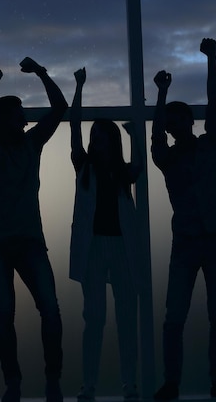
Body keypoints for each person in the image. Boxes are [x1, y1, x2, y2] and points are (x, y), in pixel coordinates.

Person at [151, 38, 216, 401]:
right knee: (177, 316)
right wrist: (161, 94)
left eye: (178, 120)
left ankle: (215, 381)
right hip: (190, 240)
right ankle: (174, 383)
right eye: (172, 123)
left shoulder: (208, 144)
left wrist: (214, 60)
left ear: (187, 121)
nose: (175, 126)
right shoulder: (168, 158)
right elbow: (155, 134)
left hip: (213, 236)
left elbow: (215, 103)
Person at [0, 57, 68, 402]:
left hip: (21, 241)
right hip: (1, 243)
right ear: (5, 120)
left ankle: (48, 379)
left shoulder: (29, 144)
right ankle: (18, 382)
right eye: (19, 115)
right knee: (12, 314)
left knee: (45, 310)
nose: (25, 119)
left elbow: (60, 107)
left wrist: (42, 71)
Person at [69, 67, 143, 402]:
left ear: (110, 140)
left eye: (101, 136)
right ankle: (89, 385)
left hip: (121, 247)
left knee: (127, 316)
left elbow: (139, 161)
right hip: (94, 248)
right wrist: (79, 87)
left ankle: (130, 383)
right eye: (93, 136)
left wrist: (134, 131)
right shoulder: (83, 166)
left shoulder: (123, 172)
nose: (95, 140)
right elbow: (73, 126)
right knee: (95, 318)